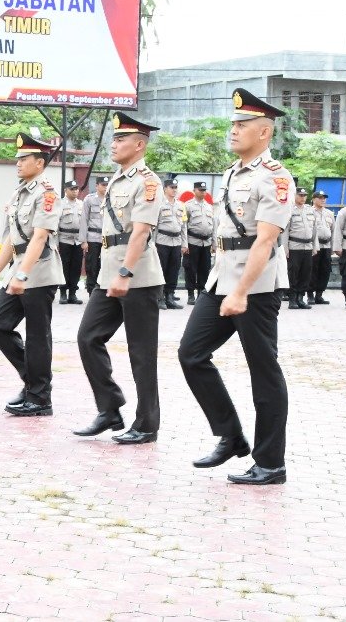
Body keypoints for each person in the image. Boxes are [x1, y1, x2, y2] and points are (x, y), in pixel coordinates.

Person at [179, 89, 292, 485]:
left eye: (242, 125)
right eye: (233, 123)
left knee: (263, 371)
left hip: (255, 287)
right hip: (220, 279)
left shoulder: (276, 177)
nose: (234, 129)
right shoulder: (230, 173)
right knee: (191, 354)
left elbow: (265, 240)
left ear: (263, 132)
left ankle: (270, 463)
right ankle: (230, 435)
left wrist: (241, 291)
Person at [73, 112, 164, 446]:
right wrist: (113, 273)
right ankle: (110, 408)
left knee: (141, 353)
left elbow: (140, 232)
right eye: (113, 138)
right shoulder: (116, 178)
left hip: (136, 276)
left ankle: (147, 424)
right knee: (88, 337)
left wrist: (126, 272)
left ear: (139, 145)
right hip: (109, 271)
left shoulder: (147, 181)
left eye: (121, 139)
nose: (113, 144)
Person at [0, 133, 64, 417]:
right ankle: (32, 382)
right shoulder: (19, 193)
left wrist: (23, 275)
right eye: (17, 158)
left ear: (39, 163)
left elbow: (40, 237)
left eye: (24, 159)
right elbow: (12, 238)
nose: (17, 163)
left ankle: (41, 398)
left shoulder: (47, 195)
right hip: (18, 268)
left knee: (38, 336)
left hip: (39, 272)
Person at [152, 178, 186, 310]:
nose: (174, 190)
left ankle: (170, 297)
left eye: (176, 187)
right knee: (161, 270)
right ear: (165, 189)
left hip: (176, 242)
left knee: (174, 269)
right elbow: (154, 226)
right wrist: (153, 243)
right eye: (172, 187)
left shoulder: (180, 205)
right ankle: (159, 298)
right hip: (162, 241)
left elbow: (184, 226)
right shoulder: (159, 204)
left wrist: (185, 244)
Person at [281, 188, 316, 309]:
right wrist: (285, 248)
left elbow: (314, 230)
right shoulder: (289, 210)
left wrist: (315, 246)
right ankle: (292, 299)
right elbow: (285, 231)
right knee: (293, 273)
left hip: (308, 246)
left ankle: (301, 298)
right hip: (294, 246)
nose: (303, 197)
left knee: (306, 273)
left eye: (305, 195)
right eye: (300, 195)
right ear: (295, 196)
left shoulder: (310, 210)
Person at [183, 183, 215, 305]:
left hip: (206, 243)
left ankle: (201, 293)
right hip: (192, 241)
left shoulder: (209, 206)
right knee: (190, 269)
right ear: (194, 191)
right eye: (200, 190)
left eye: (204, 190)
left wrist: (214, 243)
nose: (203, 192)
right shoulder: (188, 206)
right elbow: (184, 226)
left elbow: (213, 225)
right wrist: (184, 243)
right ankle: (191, 294)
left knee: (204, 269)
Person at [56, 180, 85, 304]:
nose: (75, 191)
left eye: (76, 189)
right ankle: (63, 293)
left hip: (78, 241)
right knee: (64, 267)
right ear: (65, 190)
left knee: (76, 267)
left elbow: (84, 224)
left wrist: (84, 240)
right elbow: (55, 224)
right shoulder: (60, 204)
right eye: (72, 189)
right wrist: (56, 242)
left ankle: (72, 294)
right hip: (64, 239)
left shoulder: (81, 204)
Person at [81, 176, 109, 298]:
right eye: (103, 185)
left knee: (105, 264)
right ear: (97, 186)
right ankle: (91, 290)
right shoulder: (89, 200)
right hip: (92, 237)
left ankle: (103, 289)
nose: (105, 187)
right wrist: (83, 240)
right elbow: (84, 220)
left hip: (107, 237)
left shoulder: (111, 199)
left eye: (107, 185)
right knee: (92, 265)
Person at [308, 191, 335, 304]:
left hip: (326, 246)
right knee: (312, 270)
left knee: (325, 271)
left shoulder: (329, 213)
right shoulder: (309, 212)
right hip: (315, 245)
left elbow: (333, 231)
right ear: (314, 199)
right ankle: (310, 295)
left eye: (324, 198)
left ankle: (319, 295)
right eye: (320, 198)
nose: (323, 200)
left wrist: (333, 247)